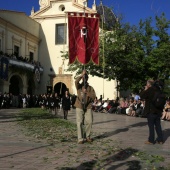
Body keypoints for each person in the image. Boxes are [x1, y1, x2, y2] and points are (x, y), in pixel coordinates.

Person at [75, 70, 96, 144]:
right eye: (84, 78)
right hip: (79, 105)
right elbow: (76, 82)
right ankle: (80, 138)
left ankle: (87, 136)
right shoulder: (79, 86)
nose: (85, 79)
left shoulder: (90, 88)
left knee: (89, 121)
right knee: (79, 122)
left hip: (88, 106)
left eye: (86, 78)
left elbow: (94, 97)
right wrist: (81, 75)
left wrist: (87, 92)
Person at [140, 79, 164, 144]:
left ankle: (151, 140)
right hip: (158, 111)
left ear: (148, 84)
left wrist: (145, 89)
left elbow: (142, 96)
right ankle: (160, 139)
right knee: (158, 125)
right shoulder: (159, 90)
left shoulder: (150, 90)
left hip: (151, 111)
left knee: (151, 126)